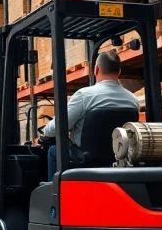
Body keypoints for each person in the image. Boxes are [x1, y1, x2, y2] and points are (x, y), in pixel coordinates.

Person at [43, 50, 139, 182]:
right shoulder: (133, 100)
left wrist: (45, 130)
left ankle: (54, 199)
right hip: (118, 158)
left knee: (54, 151)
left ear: (96, 69)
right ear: (119, 72)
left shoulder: (84, 96)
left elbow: (54, 129)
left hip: (85, 159)